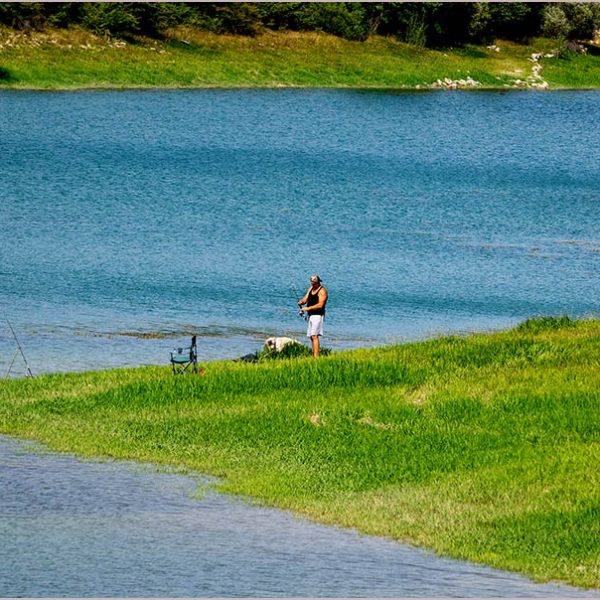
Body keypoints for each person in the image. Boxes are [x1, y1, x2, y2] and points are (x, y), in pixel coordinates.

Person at [298, 274, 328, 358]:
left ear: (318, 282)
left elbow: (320, 305)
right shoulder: (310, 289)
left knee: (315, 336)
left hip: (318, 315)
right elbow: (305, 299)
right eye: (311, 283)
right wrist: (301, 302)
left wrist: (307, 308)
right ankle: (314, 354)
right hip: (310, 315)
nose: (312, 284)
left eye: (314, 283)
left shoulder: (322, 291)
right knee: (311, 336)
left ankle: (316, 357)